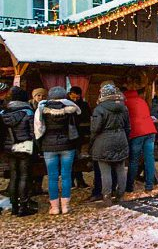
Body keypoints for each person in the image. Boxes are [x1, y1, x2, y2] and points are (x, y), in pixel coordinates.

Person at [34, 86, 81, 215]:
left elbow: (38, 130)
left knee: (52, 177)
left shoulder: (42, 110)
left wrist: (40, 146)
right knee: (66, 176)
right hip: (67, 146)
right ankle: (65, 206)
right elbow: (77, 129)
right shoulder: (71, 110)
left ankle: (54, 207)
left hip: (49, 147)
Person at [90, 83, 130, 204]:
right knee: (121, 170)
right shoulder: (124, 107)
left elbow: (95, 129)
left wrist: (91, 143)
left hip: (104, 141)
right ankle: (120, 195)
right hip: (121, 139)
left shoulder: (99, 109)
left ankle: (107, 198)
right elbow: (128, 127)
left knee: (105, 172)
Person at [1, 87, 37, 217]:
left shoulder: (4, 112)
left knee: (14, 176)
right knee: (24, 176)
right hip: (24, 146)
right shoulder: (28, 112)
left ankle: (14, 206)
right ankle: (23, 206)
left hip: (9, 147)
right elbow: (34, 132)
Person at [123, 83, 157, 193]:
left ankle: (129, 186)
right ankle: (149, 185)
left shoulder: (125, 102)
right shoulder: (141, 101)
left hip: (137, 132)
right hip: (150, 130)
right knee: (149, 158)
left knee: (134, 160)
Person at [68, 86, 91, 188]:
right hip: (69, 135)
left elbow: (87, 117)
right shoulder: (66, 105)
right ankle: (72, 180)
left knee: (77, 158)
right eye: (73, 97)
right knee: (71, 158)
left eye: (77, 98)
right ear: (70, 94)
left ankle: (79, 179)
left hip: (80, 135)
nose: (75, 100)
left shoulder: (84, 105)